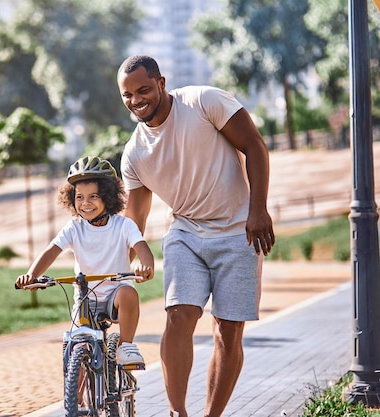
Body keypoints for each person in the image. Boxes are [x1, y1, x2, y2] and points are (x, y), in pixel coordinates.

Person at [116, 55, 275, 417]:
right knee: (179, 315)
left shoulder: (204, 102)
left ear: (161, 82)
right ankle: (177, 412)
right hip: (185, 233)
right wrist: (113, 268)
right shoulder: (135, 153)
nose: (136, 100)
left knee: (228, 331)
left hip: (239, 232)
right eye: (127, 95)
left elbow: (255, 146)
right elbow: (134, 221)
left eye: (143, 89)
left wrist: (258, 210)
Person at [15, 156, 155, 366]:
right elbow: (51, 251)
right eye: (79, 197)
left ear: (108, 197)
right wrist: (32, 275)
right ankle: (76, 398)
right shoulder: (74, 228)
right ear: (71, 198)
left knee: (129, 293)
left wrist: (146, 265)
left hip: (115, 297)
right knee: (77, 352)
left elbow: (141, 247)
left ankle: (126, 346)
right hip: (85, 299)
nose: (85, 203)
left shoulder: (123, 225)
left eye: (93, 196)